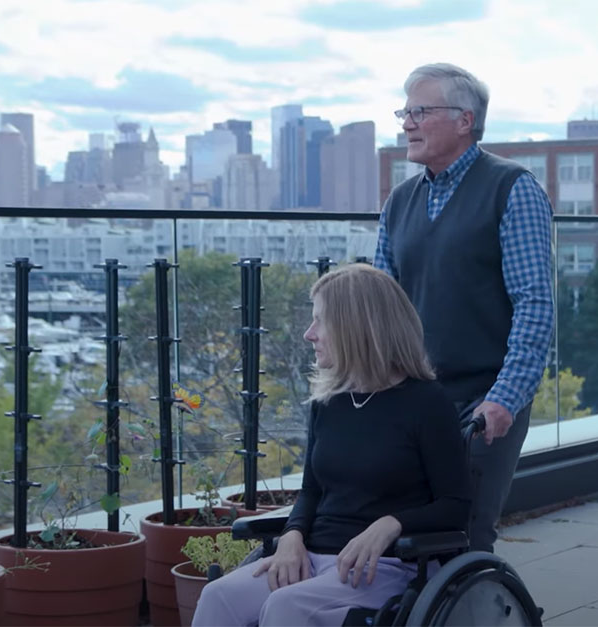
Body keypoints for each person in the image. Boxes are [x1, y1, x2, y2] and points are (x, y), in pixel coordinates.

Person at [192, 263, 470, 627]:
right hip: (313, 556)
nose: (309, 334)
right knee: (218, 597)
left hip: (385, 567)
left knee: (286, 607)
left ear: (356, 327)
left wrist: (392, 523)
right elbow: (312, 491)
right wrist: (292, 536)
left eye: (319, 321)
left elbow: (456, 507)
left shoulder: (426, 404)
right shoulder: (330, 401)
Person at [375, 63, 555, 553]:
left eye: (420, 111)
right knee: (402, 534)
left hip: (484, 398)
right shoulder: (398, 202)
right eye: (405, 111)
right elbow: (380, 310)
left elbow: (534, 304)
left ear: (464, 120)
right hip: (412, 397)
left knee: (466, 536)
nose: (407, 123)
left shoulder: (511, 189)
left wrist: (504, 398)